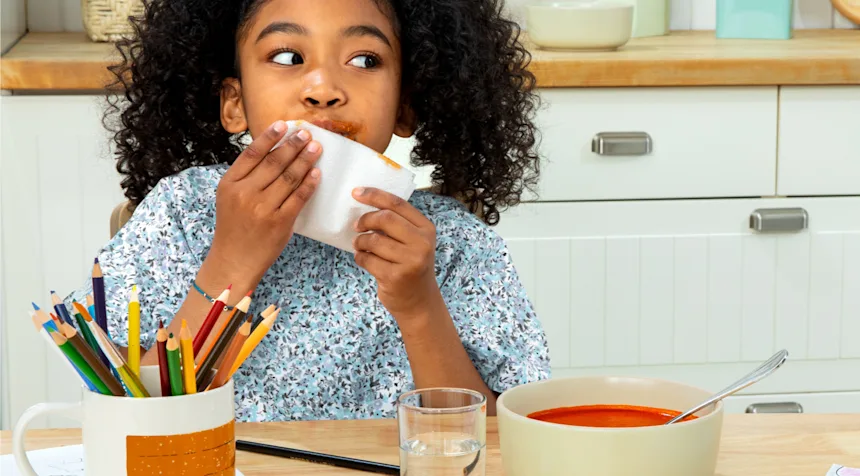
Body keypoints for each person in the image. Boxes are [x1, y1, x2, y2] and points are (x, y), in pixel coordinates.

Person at [65, 0, 551, 421]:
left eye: (364, 59)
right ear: (234, 104)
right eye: (287, 56)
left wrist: (419, 305)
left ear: (404, 108)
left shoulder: (452, 244)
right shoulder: (180, 217)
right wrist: (231, 262)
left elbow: (494, 435)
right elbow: (128, 412)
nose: (323, 88)